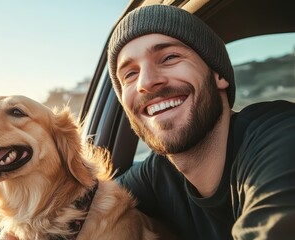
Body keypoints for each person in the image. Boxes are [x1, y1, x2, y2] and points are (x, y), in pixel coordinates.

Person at [108, 4, 295, 240]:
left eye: (170, 57)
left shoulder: (281, 136)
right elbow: (83, 209)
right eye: (130, 75)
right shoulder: (157, 172)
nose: (145, 82)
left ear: (219, 74)